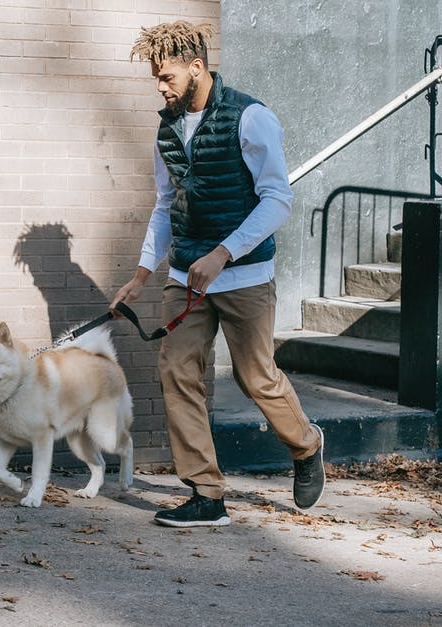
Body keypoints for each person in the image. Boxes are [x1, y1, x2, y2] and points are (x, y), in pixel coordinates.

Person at [111, 21, 324, 527]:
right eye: (155, 79)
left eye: (166, 76)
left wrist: (224, 253)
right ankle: (206, 493)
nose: (160, 87)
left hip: (244, 273)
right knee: (177, 371)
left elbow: (278, 199)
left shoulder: (250, 117)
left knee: (257, 378)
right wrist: (143, 273)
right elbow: (166, 205)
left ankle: (306, 444)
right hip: (186, 274)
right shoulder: (167, 127)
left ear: (196, 68)